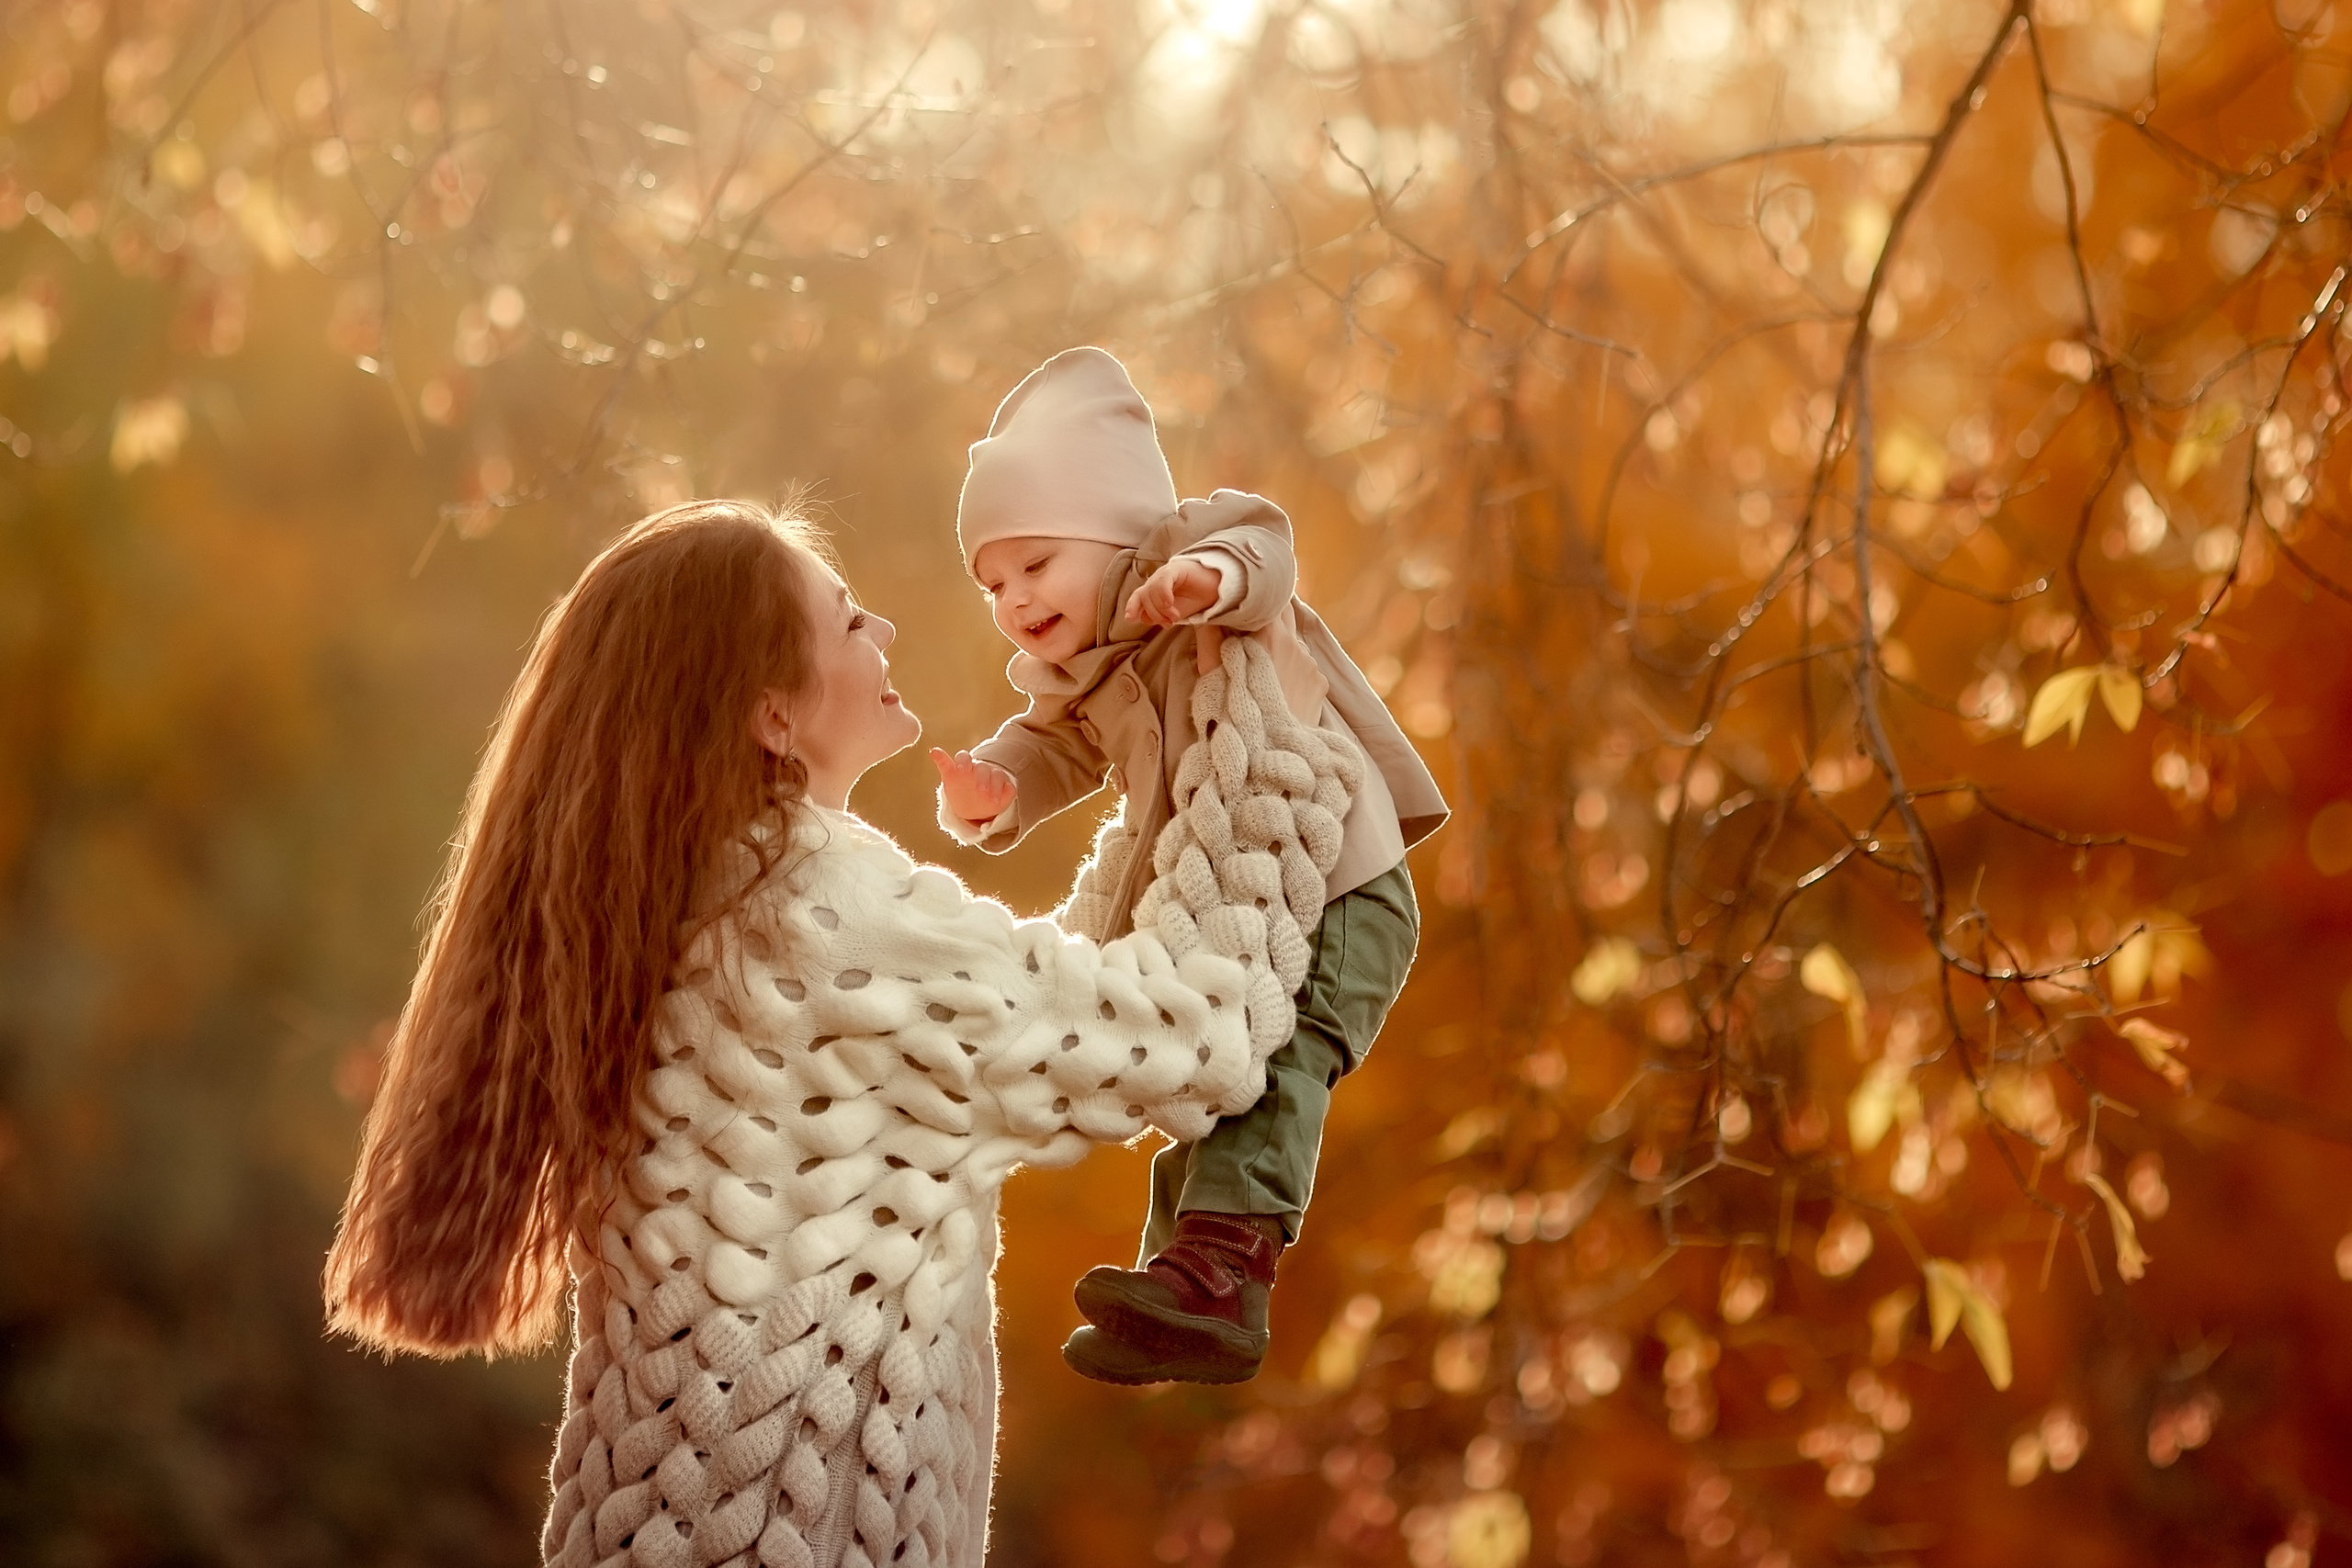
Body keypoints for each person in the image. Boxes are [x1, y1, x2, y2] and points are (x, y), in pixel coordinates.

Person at [323, 499, 1286, 1568]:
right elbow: (1198, 1037)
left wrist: (1153, 789)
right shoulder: (821, 910)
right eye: (850, 621)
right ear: (772, 716)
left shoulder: (687, 904)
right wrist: (1245, 696)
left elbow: (1051, 1006)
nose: (885, 631)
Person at [929, 347, 1447, 1386]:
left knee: (1278, 1059)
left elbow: (1265, 553)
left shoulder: (1193, 559)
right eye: (993, 582)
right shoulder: (1090, 673)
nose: (1014, 598)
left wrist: (1207, 580)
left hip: (1340, 885)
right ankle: (1183, 1291)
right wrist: (997, 784)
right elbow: (1054, 742)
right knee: (1208, 1067)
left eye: (1035, 563)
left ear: (1115, 530)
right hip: (1242, 902)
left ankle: (1221, 1271)